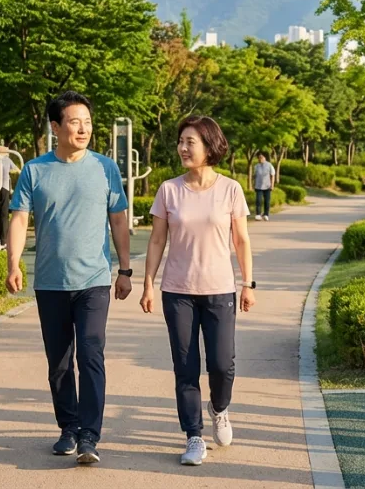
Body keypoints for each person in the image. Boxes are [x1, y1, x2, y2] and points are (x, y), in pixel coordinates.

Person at [6, 91, 131, 465]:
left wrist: (124, 269)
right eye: (75, 122)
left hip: (94, 280)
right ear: (56, 126)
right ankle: (69, 428)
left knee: (91, 354)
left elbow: (119, 220)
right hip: (50, 282)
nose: (83, 128)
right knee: (59, 361)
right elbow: (19, 218)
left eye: (88, 122)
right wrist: (13, 263)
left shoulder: (106, 168)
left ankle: (90, 437)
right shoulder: (34, 170)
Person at [141, 115, 256, 466]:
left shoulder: (230, 189)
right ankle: (193, 436)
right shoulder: (168, 189)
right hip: (177, 292)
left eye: (190, 141)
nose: (183, 148)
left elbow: (241, 240)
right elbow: (158, 239)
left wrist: (247, 283)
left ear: (209, 145)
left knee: (222, 365)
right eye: (181, 141)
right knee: (185, 367)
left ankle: (219, 408)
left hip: (220, 290)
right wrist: (148, 282)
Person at [0, 134, 17, 249]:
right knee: (3, 214)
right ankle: (2, 240)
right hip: (3, 188)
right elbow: (15, 170)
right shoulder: (5, 159)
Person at [252, 152, 274, 221]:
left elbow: (272, 175)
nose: (260, 159)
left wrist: (272, 185)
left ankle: (266, 214)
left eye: (261, 157)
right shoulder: (256, 166)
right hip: (258, 186)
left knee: (267, 201)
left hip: (267, 186)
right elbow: (254, 176)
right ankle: (258, 214)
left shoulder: (269, 165)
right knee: (258, 200)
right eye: (259, 157)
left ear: (265, 158)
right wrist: (253, 184)